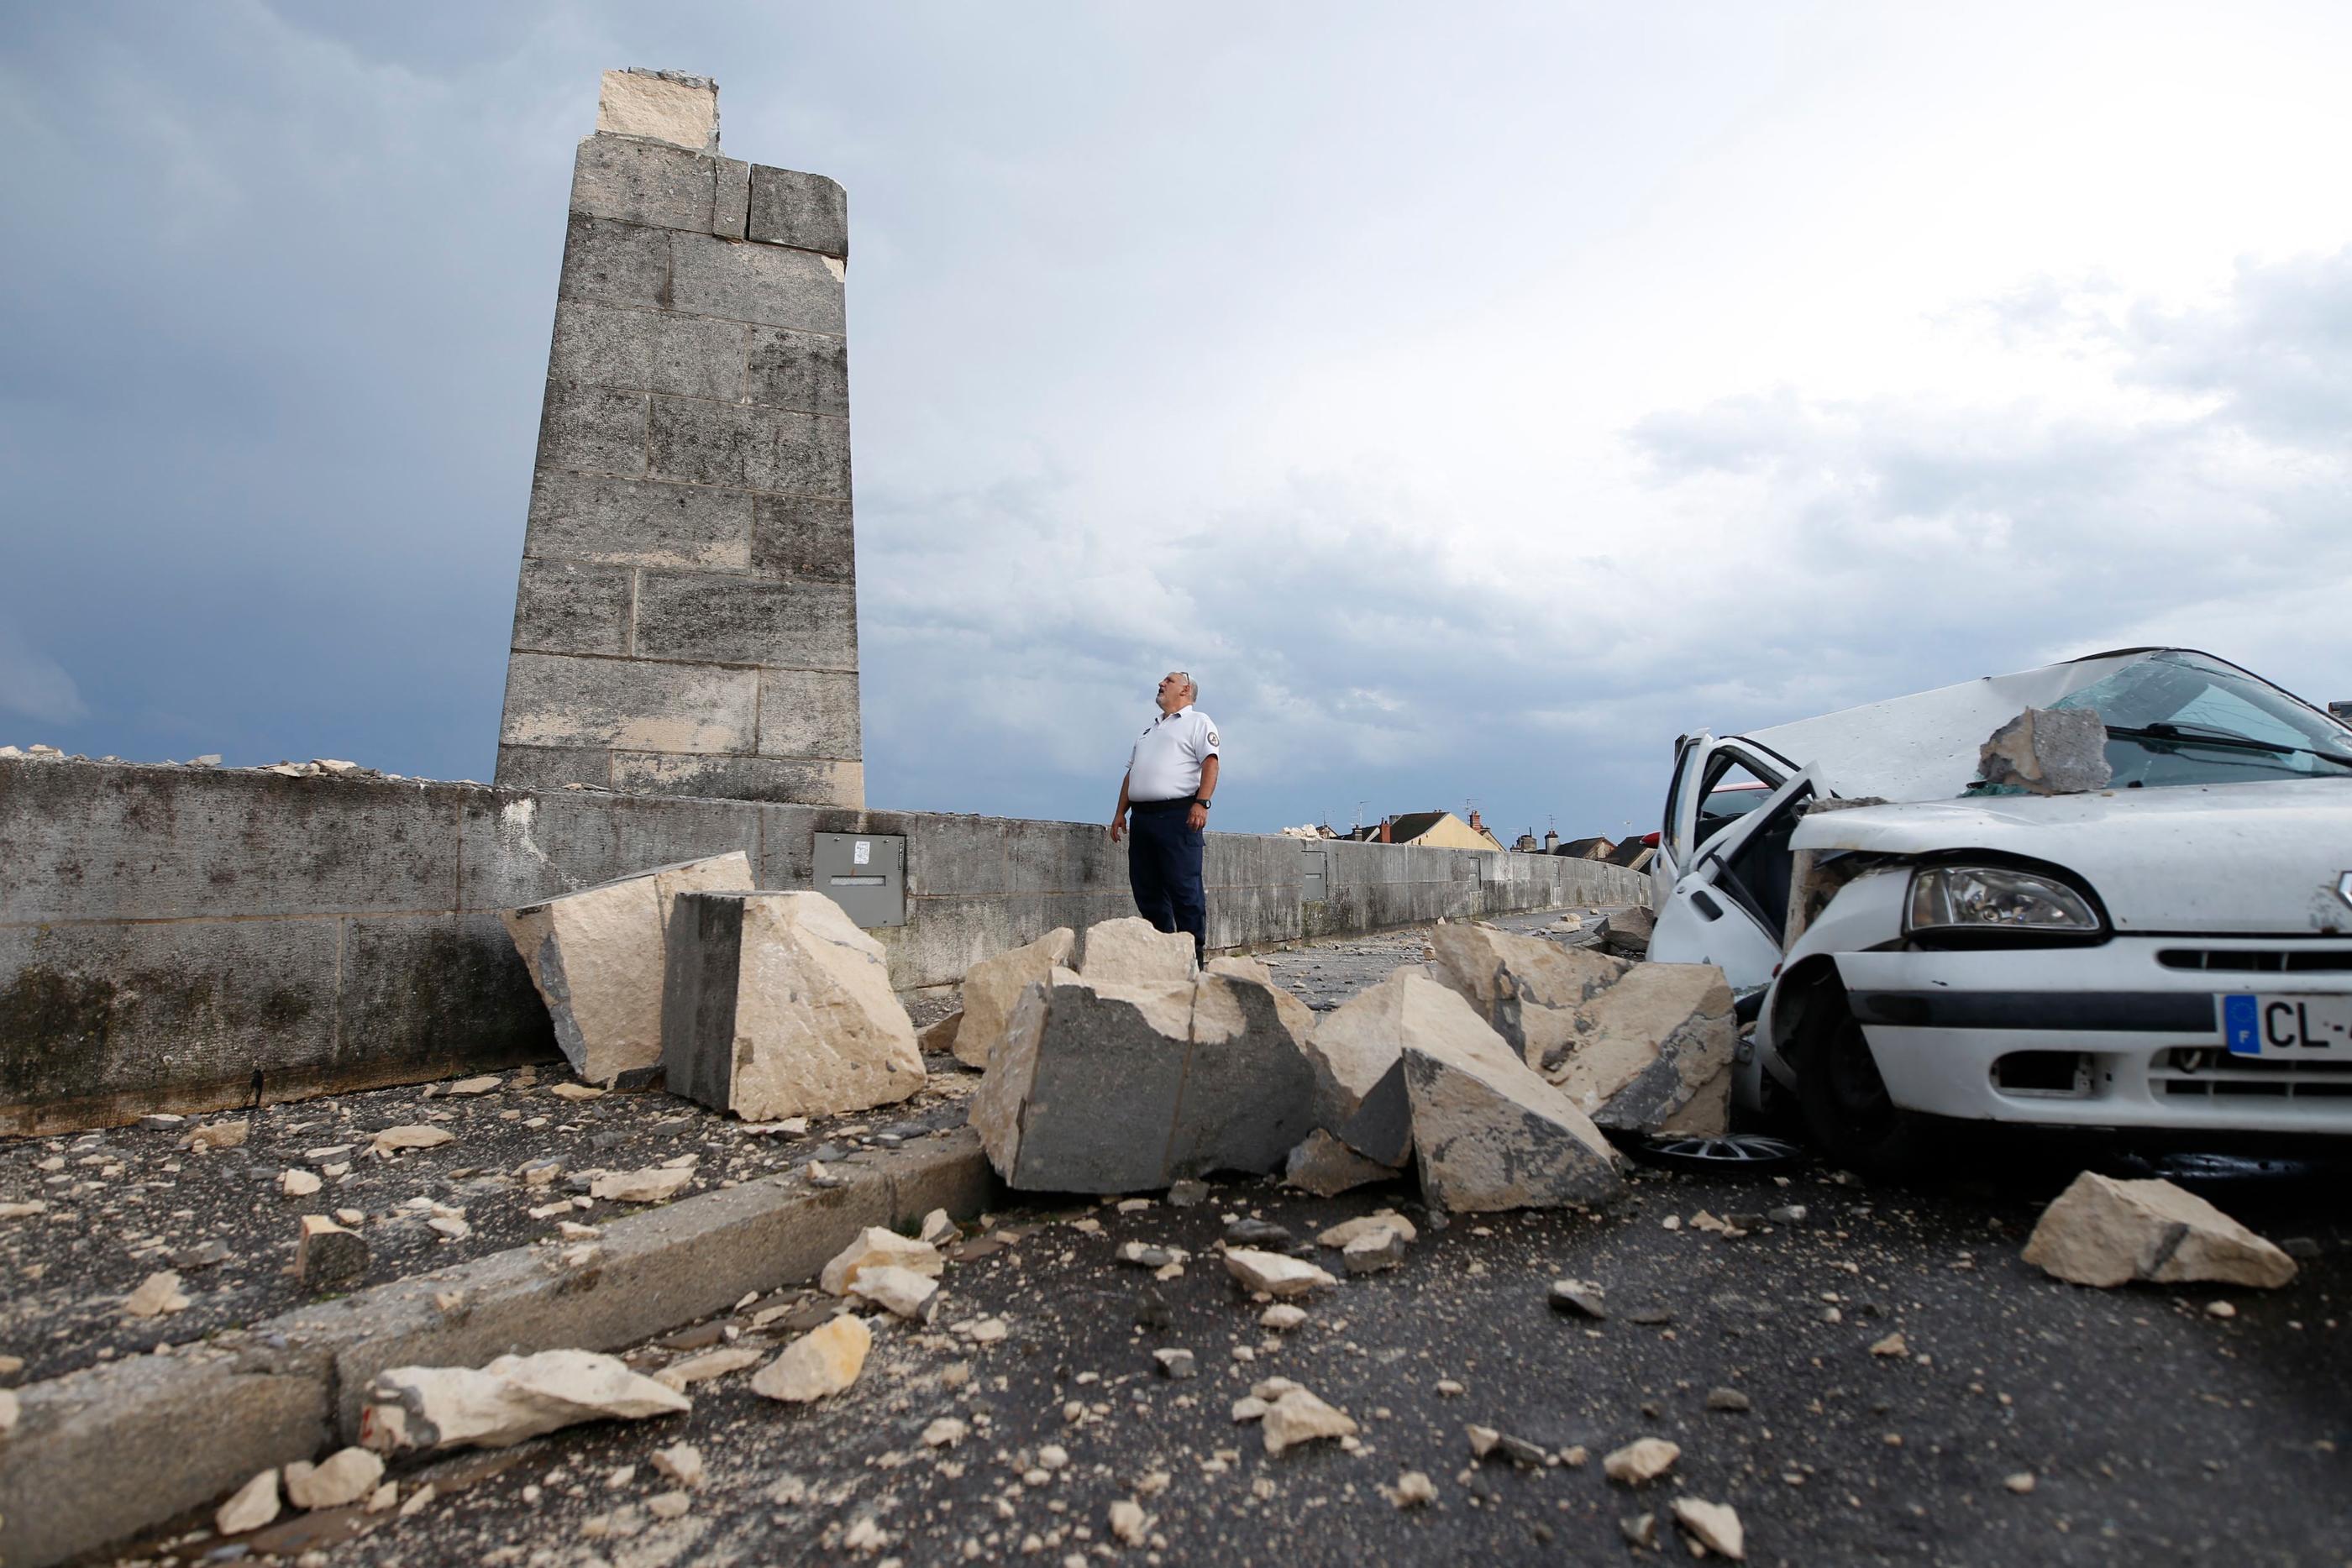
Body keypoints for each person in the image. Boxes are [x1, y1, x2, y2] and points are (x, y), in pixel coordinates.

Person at [1109, 670, 1220, 967]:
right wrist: (1121, 812)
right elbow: (1132, 774)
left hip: (1178, 815)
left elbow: (1211, 763)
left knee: (1184, 888)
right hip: (1143, 819)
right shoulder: (1149, 731)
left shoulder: (1198, 722)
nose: (1161, 684)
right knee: (1146, 888)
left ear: (1185, 690)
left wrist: (1202, 803)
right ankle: (1164, 952)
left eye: (1168, 681)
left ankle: (1194, 958)